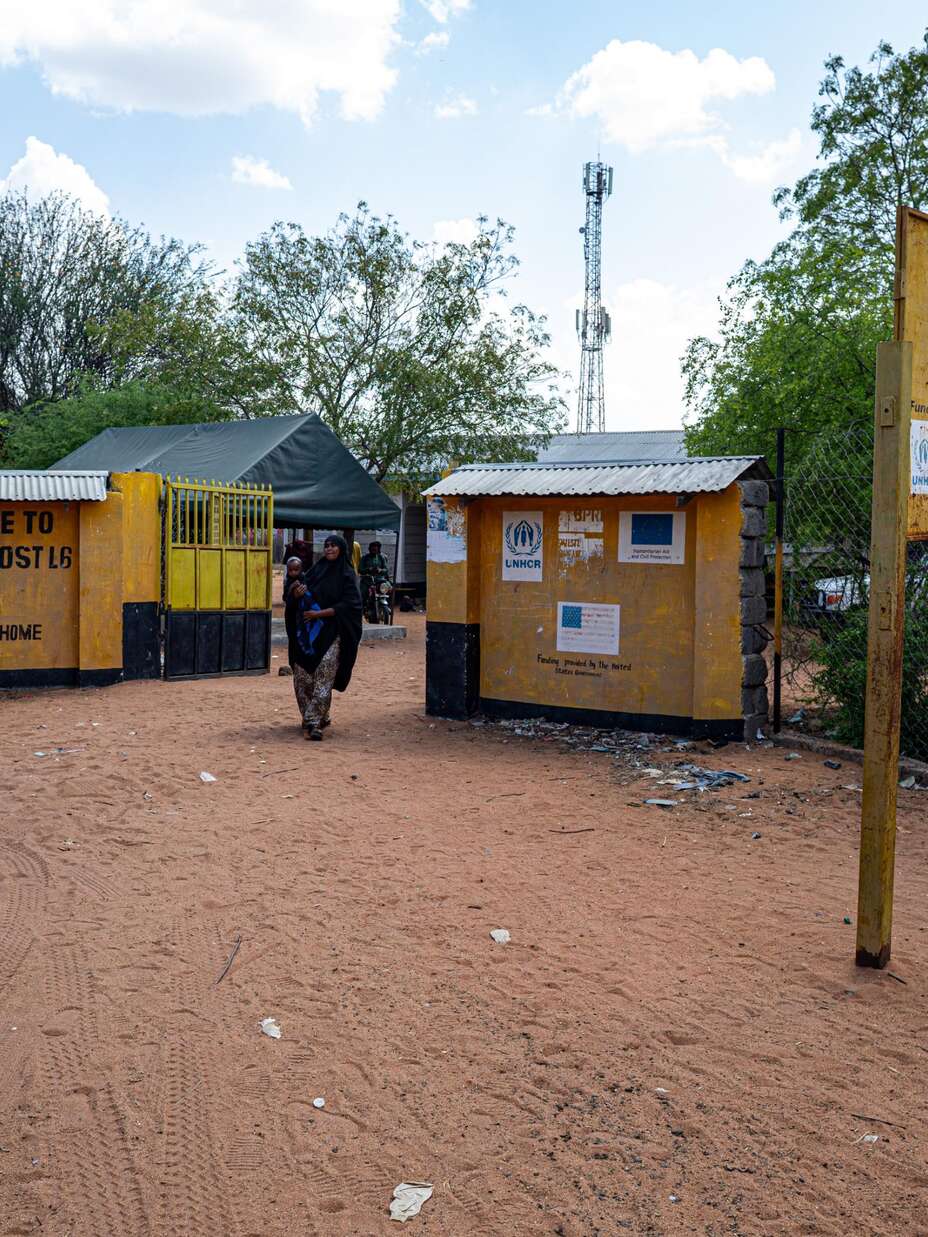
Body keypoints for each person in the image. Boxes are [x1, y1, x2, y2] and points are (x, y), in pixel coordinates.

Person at [284, 534, 362, 741]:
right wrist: (296, 594)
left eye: (333, 546)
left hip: (333, 633)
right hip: (308, 635)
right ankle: (319, 715)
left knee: (324, 676)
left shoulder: (347, 575)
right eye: (327, 546)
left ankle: (312, 722)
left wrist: (321, 613)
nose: (329, 549)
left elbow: (351, 605)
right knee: (302, 675)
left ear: (342, 549)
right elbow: (295, 594)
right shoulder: (315, 572)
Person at [359, 540, 391, 622]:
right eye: (373, 549)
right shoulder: (365, 558)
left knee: (387, 588)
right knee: (362, 594)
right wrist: (368, 570)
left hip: (379, 580)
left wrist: (380, 570)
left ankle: (385, 607)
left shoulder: (381, 557)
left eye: (376, 549)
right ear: (369, 549)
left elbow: (386, 570)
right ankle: (360, 612)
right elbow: (360, 569)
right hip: (367, 580)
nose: (374, 551)